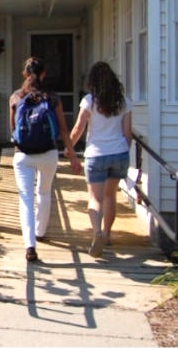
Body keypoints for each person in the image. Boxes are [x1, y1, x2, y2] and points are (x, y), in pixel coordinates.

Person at [9, 56, 81, 262]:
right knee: (44, 192)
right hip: (49, 153)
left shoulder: (16, 97)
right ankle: (40, 232)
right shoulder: (52, 98)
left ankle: (29, 245)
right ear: (44, 74)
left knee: (26, 198)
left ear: (24, 74)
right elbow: (64, 130)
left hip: (22, 155)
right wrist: (73, 156)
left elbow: (13, 131)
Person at [68, 61, 132, 258]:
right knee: (110, 195)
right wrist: (123, 151)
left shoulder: (89, 101)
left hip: (96, 154)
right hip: (119, 153)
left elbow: (79, 127)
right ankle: (108, 234)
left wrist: (69, 147)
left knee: (95, 198)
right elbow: (127, 133)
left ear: (93, 81)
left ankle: (97, 233)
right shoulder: (124, 101)